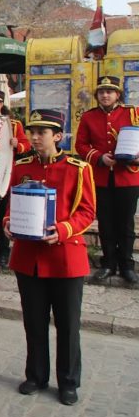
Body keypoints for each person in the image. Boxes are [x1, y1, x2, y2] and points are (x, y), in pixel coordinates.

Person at [4, 109, 95, 406]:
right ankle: (36, 375)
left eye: (42, 133)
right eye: (32, 132)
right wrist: (7, 222)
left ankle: (68, 381)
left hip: (64, 257)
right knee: (34, 321)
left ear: (57, 136)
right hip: (28, 257)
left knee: (68, 324)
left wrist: (65, 229)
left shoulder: (78, 168)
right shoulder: (21, 166)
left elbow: (86, 211)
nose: (35, 137)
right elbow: (13, 203)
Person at [75, 76, 139, 284]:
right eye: (101, 92)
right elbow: (81, 145)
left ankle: (127, 265)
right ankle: (108, 263)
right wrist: (99, 158)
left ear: (117, 95)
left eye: (109, 91)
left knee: (126, 223)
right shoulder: (88, 117)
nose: (105, 95)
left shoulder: (133, 114)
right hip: (101, 178)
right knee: (106, 223)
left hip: (127, 176)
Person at [0, 89, 30, 267]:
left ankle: (3, 252)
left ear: (0, 104)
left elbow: (26, 144)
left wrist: (19, 145)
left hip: (5, 174)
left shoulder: (14, 124)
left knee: (3, 215)